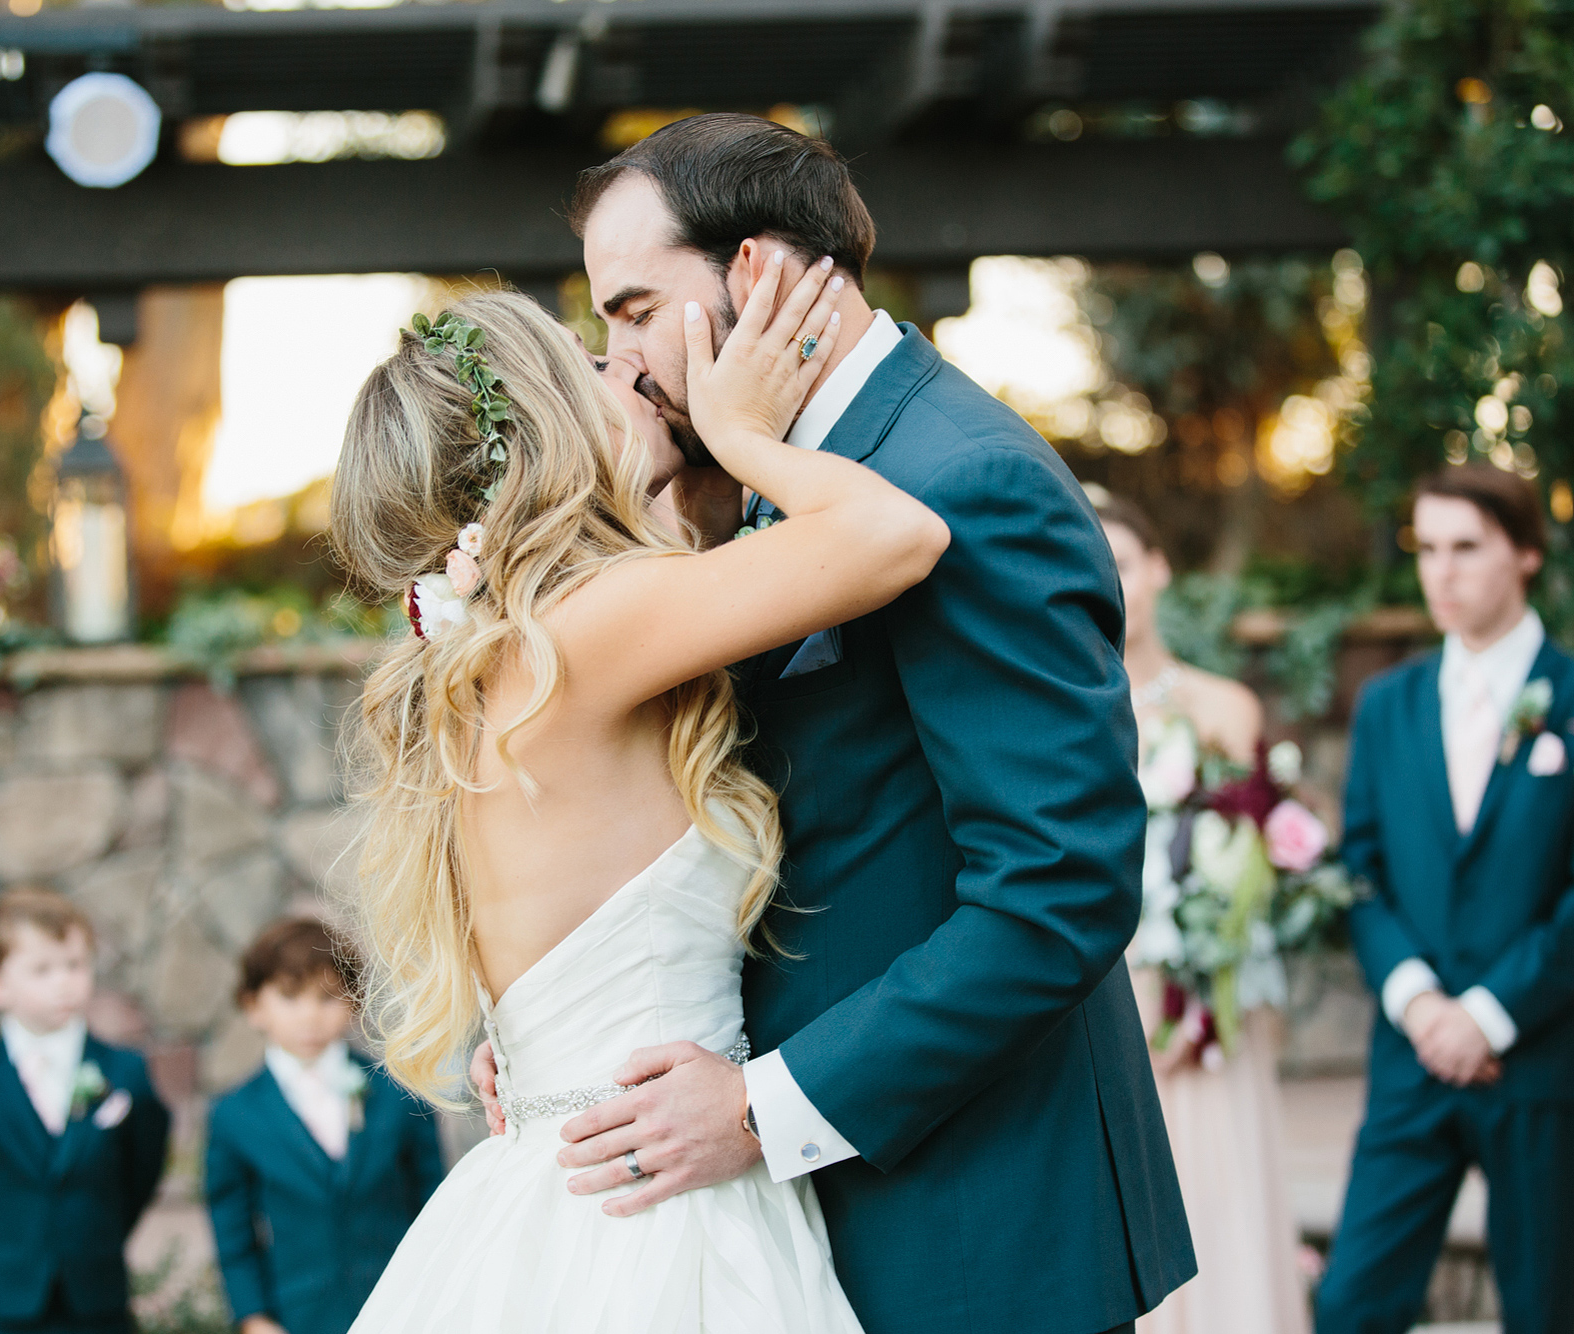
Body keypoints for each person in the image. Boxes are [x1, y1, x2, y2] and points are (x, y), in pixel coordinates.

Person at [485, 111, 1195, 1334]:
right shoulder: (767, 480)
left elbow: (1056, 888)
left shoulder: (962, 477)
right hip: (818, 1212)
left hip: (973, 1223)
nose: (617, 360)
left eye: (634, 310)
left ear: (750, 274)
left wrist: (761, 1106)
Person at [333, 241, 948, 1331]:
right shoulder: (587, 629)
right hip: (657, 1215)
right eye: (592, 365)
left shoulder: (497, 657)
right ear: (549, 430)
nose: (629, 373)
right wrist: (744, 436)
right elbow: (895, 534)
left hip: (569, 1170)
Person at [1315, 465, 1574, 1334]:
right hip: (1413, 1057)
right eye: (1428, 549)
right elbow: (1361, 870)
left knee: (1547, 1309)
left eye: (1467, 548)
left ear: (1527, 553)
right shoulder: (1388, 704)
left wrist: (1492, 1014)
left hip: (1539, 1065)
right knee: (1352, 1307)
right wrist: (1422, 1005)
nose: (1443, 573)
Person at [1095, 491, 1308, 1334]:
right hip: (1111, 995)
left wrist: (1199, 973)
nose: (1113, 583)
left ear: (1159, 569)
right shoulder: (1066, 709)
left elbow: (1247, 866)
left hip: (1205, 999)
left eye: (1125, 563)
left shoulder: (1226, 709)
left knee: (1221, 1192)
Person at [0, 888, 172, 1334]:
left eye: (75, 965)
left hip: (98, 1298)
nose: (64, 981)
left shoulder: (125, 1072)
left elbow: (142, 1166)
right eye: (42, 970)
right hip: (6, 1296)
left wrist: (102, 1233)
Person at [204, 917, 446, 1334]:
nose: (310, 1016)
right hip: (297, 1312)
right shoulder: (233, 1115)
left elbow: (432, 1199)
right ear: (253, 1006)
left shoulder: (398, 1094)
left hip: (400, 1304)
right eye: (290, 997)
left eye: (327, 998)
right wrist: (254, 1317)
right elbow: (233, 1230)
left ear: (353, 1002)